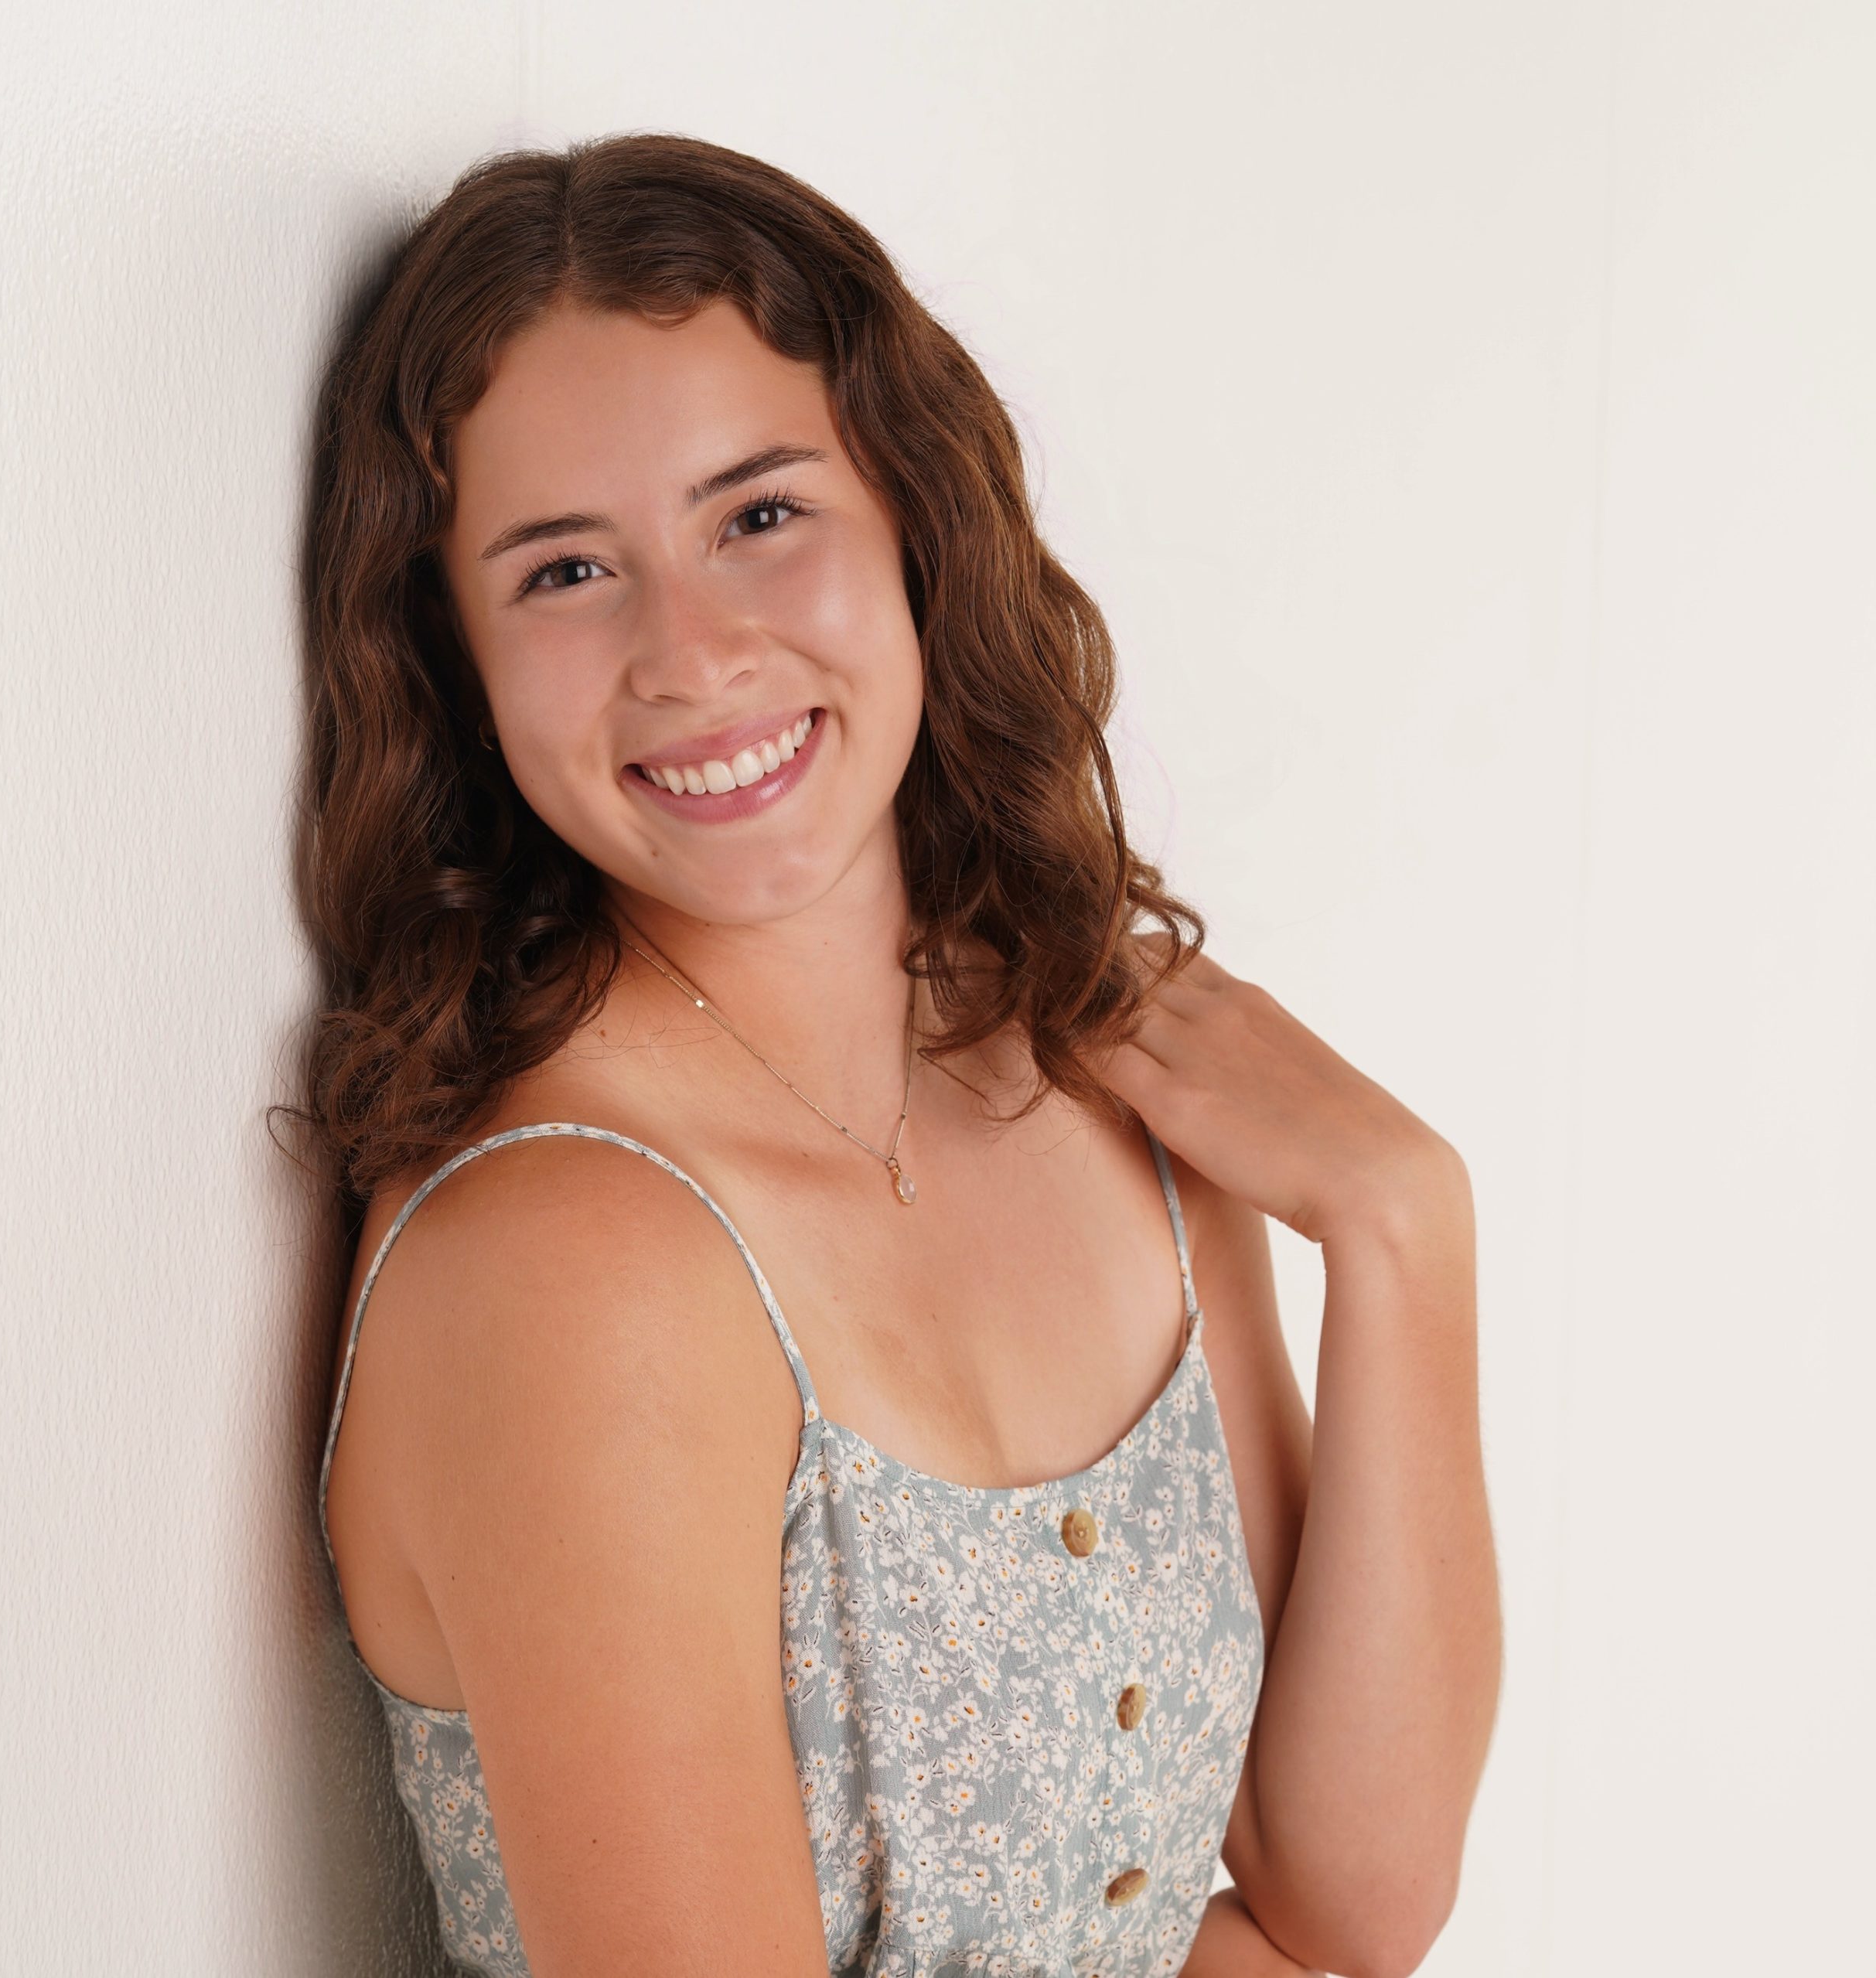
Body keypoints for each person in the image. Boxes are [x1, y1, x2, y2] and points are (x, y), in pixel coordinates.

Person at [295, 134, 1500, 1978]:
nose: (690, 652)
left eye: (759, 514)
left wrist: (1404, 1232)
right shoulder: (570, 1267)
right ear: (453, 659)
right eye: (561, 572)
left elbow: (1349, 1892)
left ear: (916, 521)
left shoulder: (1104, 1079)